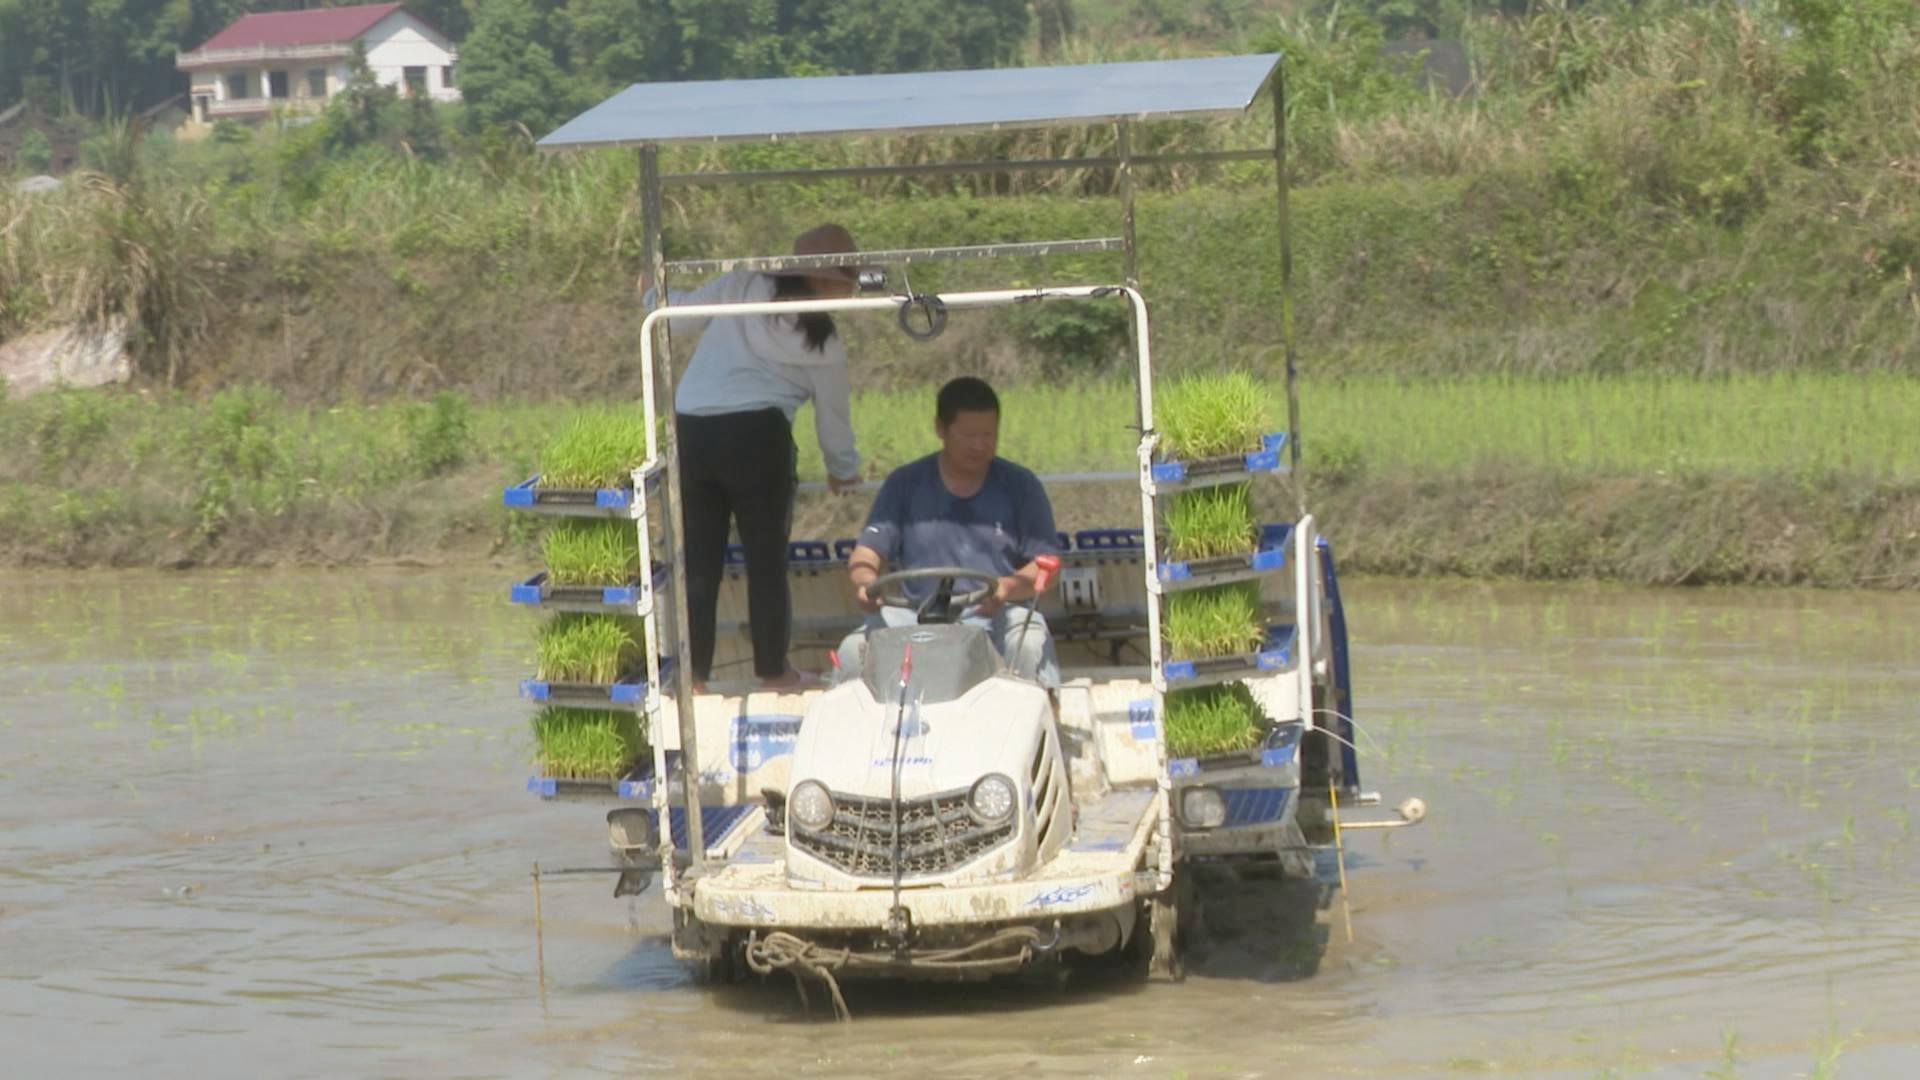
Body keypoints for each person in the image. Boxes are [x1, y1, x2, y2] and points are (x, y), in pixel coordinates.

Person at [644, 224, 865, 690]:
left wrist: (650, 295)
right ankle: (773, 669)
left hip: (692, 431)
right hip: (758, 436)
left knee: (698, 562)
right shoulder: (823, 338)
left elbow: (675, 316)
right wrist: (842, 470)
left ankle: (695, 678)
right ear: (828, 280)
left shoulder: (741, 285)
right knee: (765, 559)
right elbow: (833, 420)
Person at [837, 376, 1061, 688]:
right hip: (916, 615)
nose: (980, 445)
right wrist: (864, 583)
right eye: (969, 435)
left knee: (1028, 643)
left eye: (989, 435)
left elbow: (1047, 565)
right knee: (853, 650)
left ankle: (1040, 719)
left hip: (996, 615)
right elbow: (867, 553)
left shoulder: (1021, 485)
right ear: (941, 429)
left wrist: (1005, 589)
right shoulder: (904, 484)